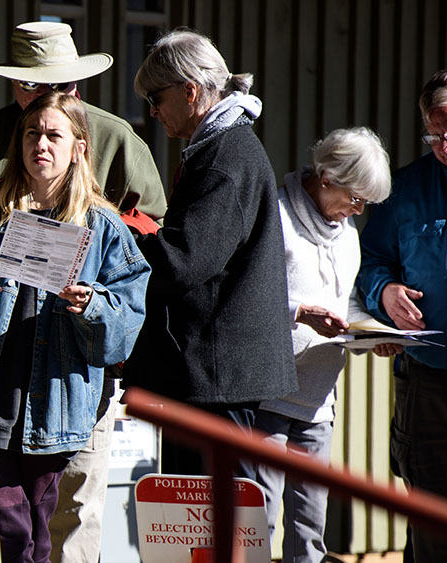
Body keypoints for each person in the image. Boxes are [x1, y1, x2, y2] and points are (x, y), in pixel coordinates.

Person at [0, 21, 167, 562]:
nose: (42, 105)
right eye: (29, 85)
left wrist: (94, 272)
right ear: (13, 87)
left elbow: (150, 240)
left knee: (73, 517)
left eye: (56, 85)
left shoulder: (116, 138)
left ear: (75, 86)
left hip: (73, 374)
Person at [122, 28, 297, 477]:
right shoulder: (222, 146)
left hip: (219, 377)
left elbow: (183, 261)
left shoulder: (224, 157)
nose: (153, 111)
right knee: (201, 510)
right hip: (216, 374)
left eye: (156, 99)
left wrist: (120, 238)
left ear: (190, 91)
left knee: (218, 511)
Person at [253, 127, 396, 563]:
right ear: (327, 177)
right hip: (268, 396)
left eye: (366, 203)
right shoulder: (275, 217)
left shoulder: (347, 233)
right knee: (259, 522)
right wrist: (300, 313)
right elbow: (247, 299)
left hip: (318, 400)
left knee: (309, 528)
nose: (357, 211)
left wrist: (372, 334)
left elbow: (344, 303)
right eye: (355, 198)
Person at [357, 68, 447, 563]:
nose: (445, 147)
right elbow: (370, 260)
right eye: (434, 136)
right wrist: (384, 292)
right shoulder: (403, 188)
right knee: (432, 528)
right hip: (427, 385)